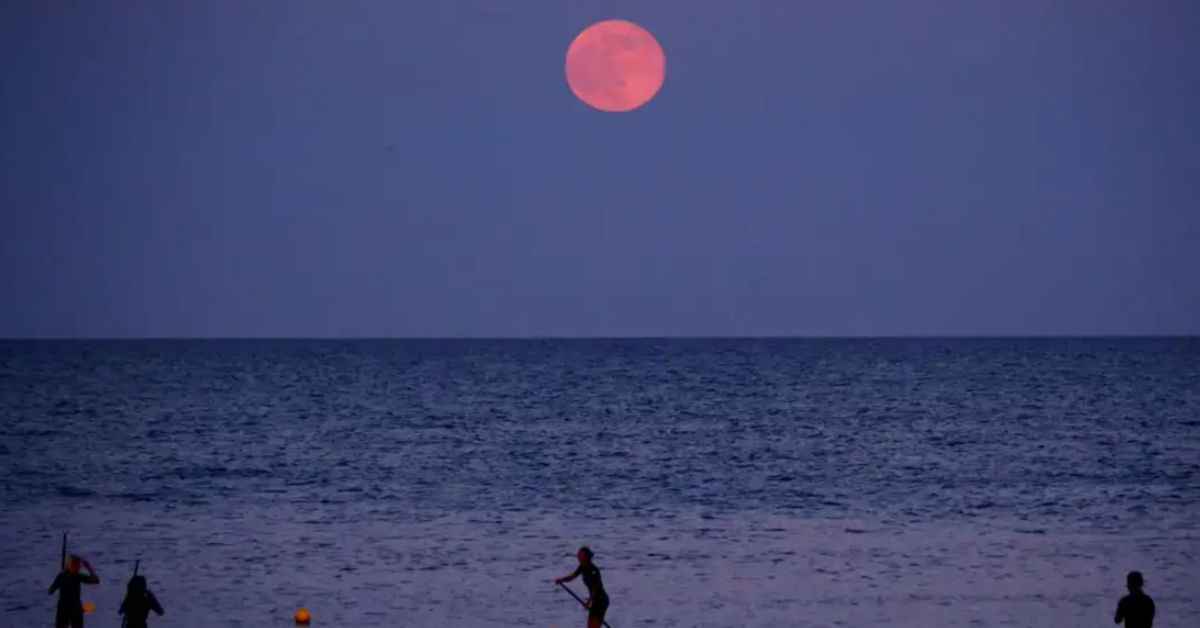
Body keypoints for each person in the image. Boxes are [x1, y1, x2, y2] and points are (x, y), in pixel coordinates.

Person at [555, 546, 609, 628]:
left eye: (580, 555)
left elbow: (595, 589)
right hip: (595, 600)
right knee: (590, 626)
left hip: (601, 601)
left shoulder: (594, 570)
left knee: (594, 626)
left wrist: (589, 602)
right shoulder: (582, 567)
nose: (577, 556)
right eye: (578, 554)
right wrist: (561, 580)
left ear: (585, 557)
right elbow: (572, 576)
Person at [48, 554, 100, 628]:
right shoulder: (67, 576)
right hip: (66, 609)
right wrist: (88, 568)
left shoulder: (73, 576)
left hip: (72, 609)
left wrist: (89, 568)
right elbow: (50, 590)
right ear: (70, 565)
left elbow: (96, 580)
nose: (78, 567)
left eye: (78, 565)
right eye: (76, 565)